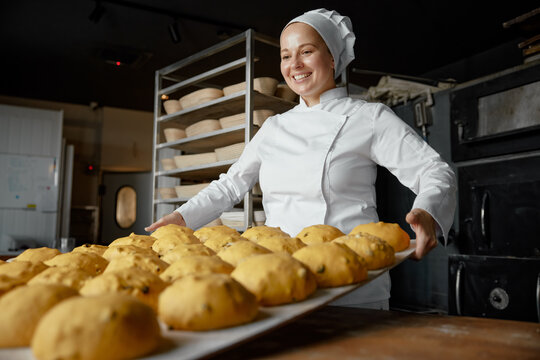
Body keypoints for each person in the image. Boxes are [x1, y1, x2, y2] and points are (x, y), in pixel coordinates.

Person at [146, 8, 457, 309]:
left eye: (306, 51)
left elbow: (434, 170)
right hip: (280, 279)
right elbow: (230, 185)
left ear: (333, 57)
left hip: (353, 283)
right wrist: (182, 218)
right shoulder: (273, 127)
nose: (294, 64)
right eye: (285, 55)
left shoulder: (368, 116)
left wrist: (427, 211)